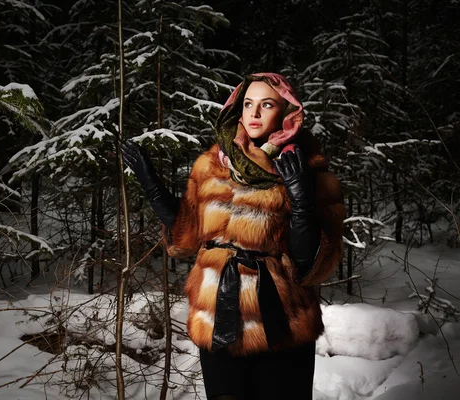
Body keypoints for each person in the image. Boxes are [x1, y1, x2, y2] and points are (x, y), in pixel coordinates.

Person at [122, 72, 344, 399]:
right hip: (217, 320)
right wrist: (152, 186)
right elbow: (186, 234)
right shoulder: (212, 165)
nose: (253, 114)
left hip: (282, 325)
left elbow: (312, 263)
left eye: (266, 105)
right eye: (248, 104)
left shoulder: (306, 167)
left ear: (286, 111)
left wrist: (302, 200)